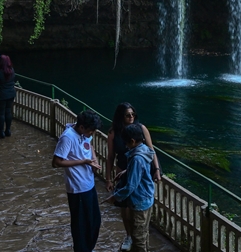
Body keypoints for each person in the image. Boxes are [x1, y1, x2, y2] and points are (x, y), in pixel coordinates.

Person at [105, 102, 161, 251]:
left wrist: (114, 197)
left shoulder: (137, 151)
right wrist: (115, 176)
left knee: (139, 236)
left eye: (132, 115)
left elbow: (131, 185)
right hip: (137, 183)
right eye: (127, 115)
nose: (131, 117)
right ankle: (131, 237)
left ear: (131, 142)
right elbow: (110, 157)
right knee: (141, 231)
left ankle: (137, 243)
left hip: (139, 196)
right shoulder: (138, 149)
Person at [53, 110, 103, 252]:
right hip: (77, 187)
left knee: (94, 221)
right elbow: (56, 162)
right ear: (82, 127)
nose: (91, 134)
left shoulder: (83, 133)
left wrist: (94, 160)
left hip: (89, 184)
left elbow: (90, 145)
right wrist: (83, 161)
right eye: (91, 131)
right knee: (81, 225)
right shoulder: (68, 137)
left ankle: (88, 248)